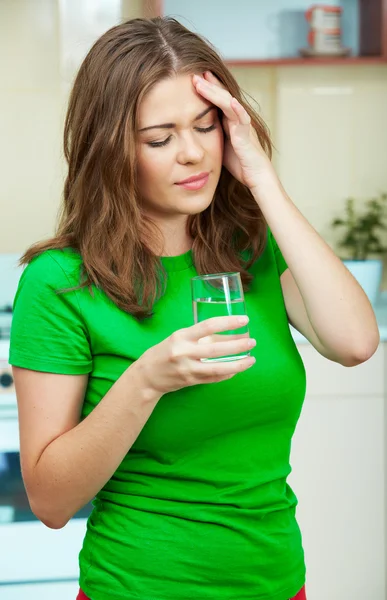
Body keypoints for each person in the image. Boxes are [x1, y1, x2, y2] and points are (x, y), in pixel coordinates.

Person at [9, 16, 379, 600]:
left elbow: (356, 342)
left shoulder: (252, 246)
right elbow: (51, 501)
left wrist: (263, 182)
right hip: (137, 588)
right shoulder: (60, 282)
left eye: (206, 126)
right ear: (110, 150)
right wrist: (147, 381)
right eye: (159, 138)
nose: (192, 153)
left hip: (278, 585)